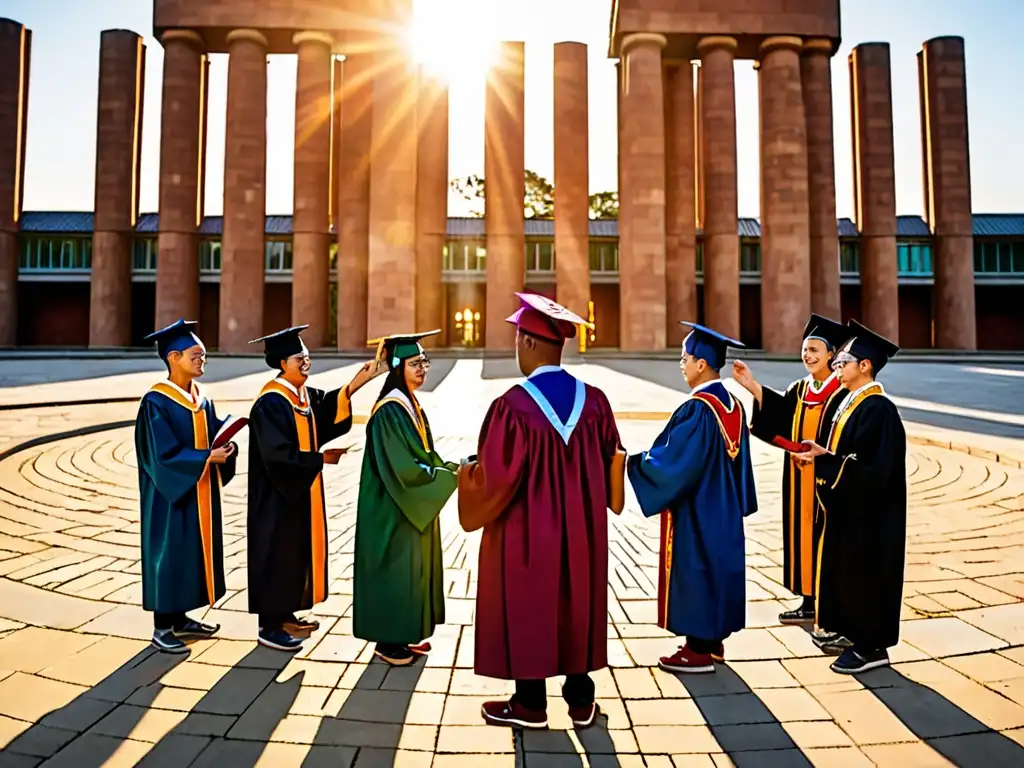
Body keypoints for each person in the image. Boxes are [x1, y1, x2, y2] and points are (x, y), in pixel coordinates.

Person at [458, 293, 624, 730]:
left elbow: (494, 479)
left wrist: (466, 474)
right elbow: (612, 463)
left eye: (518, 341)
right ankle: (581, 700)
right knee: (577, 601)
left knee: (530, 604)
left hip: (527, 534)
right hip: (583, 532)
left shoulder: (512, 406)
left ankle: (530, 704)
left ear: (530, 345)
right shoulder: (596, 402)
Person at [628, 322, 757, 673]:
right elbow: (741, 464)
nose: (681, 365)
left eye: (684, 359)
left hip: (698, 509)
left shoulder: (699, 408)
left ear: (702, 364)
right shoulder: (731, 404)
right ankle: (712, 643)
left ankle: (697, 651)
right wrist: (738, 504)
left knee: (695, 568)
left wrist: (632, 464)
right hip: (724, 509)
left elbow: (675, 461)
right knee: (717, 568)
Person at [247, 325, 381, 651]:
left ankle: (286, 614)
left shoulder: (302, 397)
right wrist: (319, 460)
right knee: (276, 554)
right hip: (276, 498)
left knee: (293, 554)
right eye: (299, 357)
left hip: (297, 493)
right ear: (282, 363)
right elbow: (277, 456)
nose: (306, 361)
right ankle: (269, 625)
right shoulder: (270, 403)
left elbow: (326, 410)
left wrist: (355, 384)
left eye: (306, 356)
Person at [793, 319, 906, 674]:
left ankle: (871, 647)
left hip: (871, 518)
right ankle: (849, 632)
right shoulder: (851, 403)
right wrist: (822, 453)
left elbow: (871, 469)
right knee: (846, 573)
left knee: (867, 576)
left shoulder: (879, 409)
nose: (837, 368)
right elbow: (847, 454)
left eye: (843, 362)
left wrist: (827, 462)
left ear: (865, 365)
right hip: (851, 511)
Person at [732, 314, 851, 628]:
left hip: (827, 477)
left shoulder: (841, 392)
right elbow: (781, 415)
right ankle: (808, 600)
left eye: (814, 349)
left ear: (832, 356)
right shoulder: (800, 389)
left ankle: (830, 603)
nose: (808, 355)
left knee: (826, 535)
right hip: (799, 477)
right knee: (801, 535)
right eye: (805, 349)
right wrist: (752, 386)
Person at [353, 330, 463, 666]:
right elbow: (406, 468)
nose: (423, 369)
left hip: (405, 506)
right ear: (397, 367)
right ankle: (388, 643)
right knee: (395, 571)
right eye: (415, 363)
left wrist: (450, 467)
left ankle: (405, 635)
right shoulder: (390, 410)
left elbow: (423, 455)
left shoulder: (409, 404)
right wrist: (447, 476)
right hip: (392, 508)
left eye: (425, 362)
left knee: (410, 571)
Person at [135, 319, 238, 654]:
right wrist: (206, 457)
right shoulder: (156, 402)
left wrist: (227, 444)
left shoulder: (201, 398)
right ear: (173, 357)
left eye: (204, 355)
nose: (202, 360)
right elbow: (161, 455)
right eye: (196, 355)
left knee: (191, 552)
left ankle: (181, 618)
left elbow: (211, 434)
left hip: (199, 492)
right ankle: (162, 627)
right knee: (169, 554)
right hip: (170, 496)